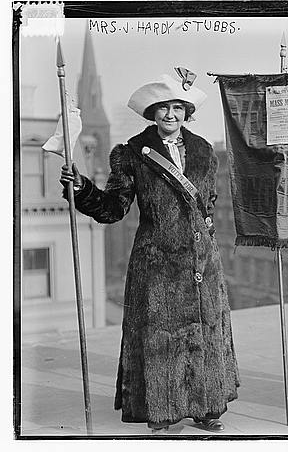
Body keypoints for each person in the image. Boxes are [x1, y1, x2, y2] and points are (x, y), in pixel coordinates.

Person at [60, 69, 240, 434]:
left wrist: (205, 238)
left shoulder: (205, 150)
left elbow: (208, 202)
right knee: (160, 336)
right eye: (163, 108)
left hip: (201, 259)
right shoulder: (131, 154)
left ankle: (206, 407)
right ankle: (161, 410)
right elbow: (113, 207)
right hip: (156, 260)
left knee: (205, 332)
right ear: (151, 112)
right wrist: (80, 187)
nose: (170, 115)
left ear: (187, 111)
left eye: (177, 107)